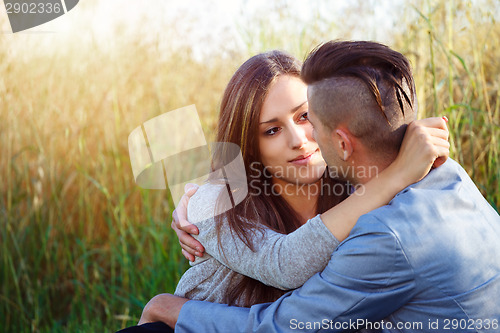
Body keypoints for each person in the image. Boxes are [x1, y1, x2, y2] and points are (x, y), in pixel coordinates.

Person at [136, 40, 500, 333]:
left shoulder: (348, 186)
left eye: (305, 116)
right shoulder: (215, 199)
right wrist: (398, 173)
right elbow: (287, 265)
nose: (299, 139)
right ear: (251, 145)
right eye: (272, 130)